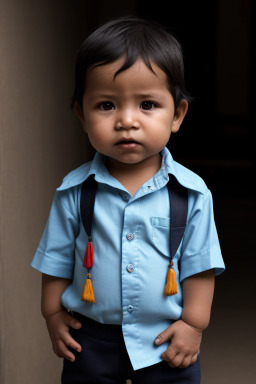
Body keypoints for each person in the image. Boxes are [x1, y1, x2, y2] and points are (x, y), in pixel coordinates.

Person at [31, 16, 225, 383]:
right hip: (89, 339)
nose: (127, 121)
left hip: (165, 340)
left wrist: (193, 325)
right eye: (106, 105)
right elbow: (55, 262)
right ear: (82, 116)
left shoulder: (192, 193)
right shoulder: (74, 191)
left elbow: (200, 266)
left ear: (177, 115)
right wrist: (53, 316)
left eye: (148, 104)